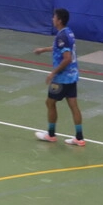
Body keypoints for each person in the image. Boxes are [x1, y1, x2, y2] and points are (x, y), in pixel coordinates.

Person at [33, 8, 85, 146]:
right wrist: (43, 49)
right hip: (72, 77)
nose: (52, 19)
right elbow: (59, 47)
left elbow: (66, 58)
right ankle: (79, 138)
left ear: (59, 20)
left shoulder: (62, 36)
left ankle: (50, 134)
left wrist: (53, 73)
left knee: (50, 103)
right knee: (73, 106)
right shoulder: (68, 33)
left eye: (54, 17)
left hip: (61, 79)